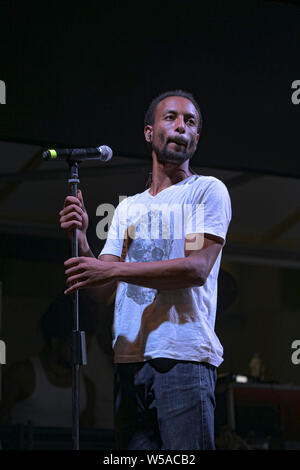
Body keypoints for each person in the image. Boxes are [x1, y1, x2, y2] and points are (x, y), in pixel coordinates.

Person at [59, 89, 232, 450]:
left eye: (190, 122)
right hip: (129, 362)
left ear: (196, 139)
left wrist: (116, 272)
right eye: (171, 117)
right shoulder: (127, 209)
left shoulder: (206, 192)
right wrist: (82, 241)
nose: (181, 127)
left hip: (183, 359)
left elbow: (195, 268)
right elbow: (101, 288)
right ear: (149, 132)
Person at [0, 292, 97, 428]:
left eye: (86, 347)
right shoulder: (23, 375)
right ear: (55, 342)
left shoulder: (86, 388)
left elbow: (89, 438)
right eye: (74, 346)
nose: (82, 353)